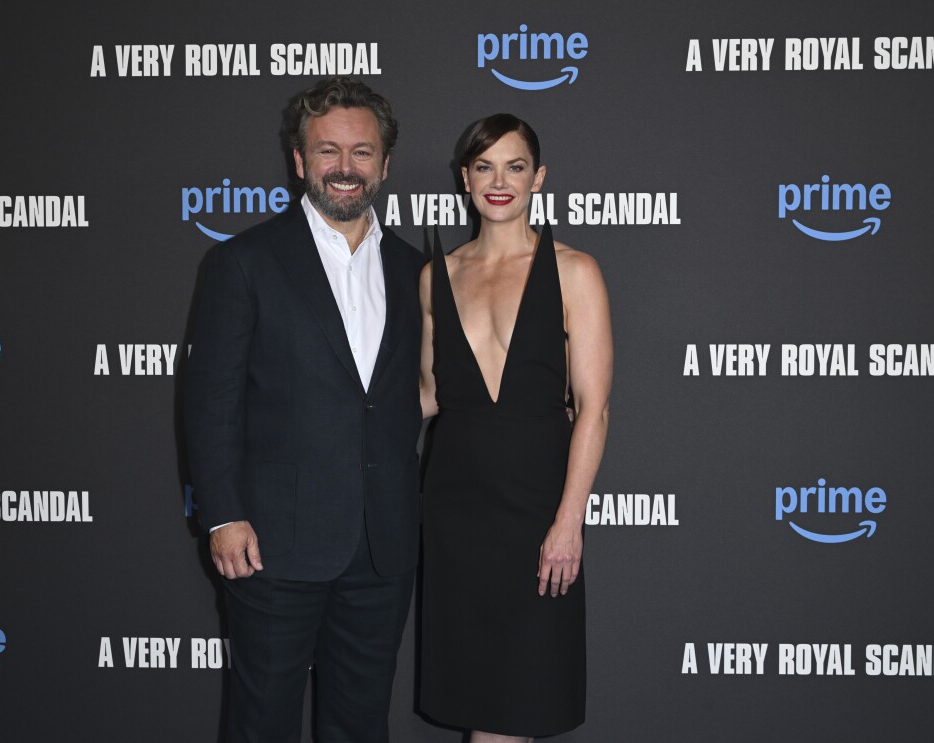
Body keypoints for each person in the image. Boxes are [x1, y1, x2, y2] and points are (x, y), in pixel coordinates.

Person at [184, 77, 424, 743]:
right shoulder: (244, 262)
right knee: (262, 723)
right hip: (272, 545)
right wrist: (224, 514)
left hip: (382, 545)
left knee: (360, 724)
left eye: (361, 152)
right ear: (299, 160)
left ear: (384, 164)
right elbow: (211, 401)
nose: (344, 167)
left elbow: (410, 396)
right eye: (327, 151)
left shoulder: (415, 269)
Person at [418, 114, 613, 742]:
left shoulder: (576, 271)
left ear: (539, 178)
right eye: (484, 167)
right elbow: (426, 396)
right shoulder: (435, 277)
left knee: (518, 704)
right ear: (464, 178)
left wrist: (568, 522)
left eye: (515, 166)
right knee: (485, 708)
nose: (498, 181)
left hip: (536, 511)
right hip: (456, 512)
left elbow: (594, 407)